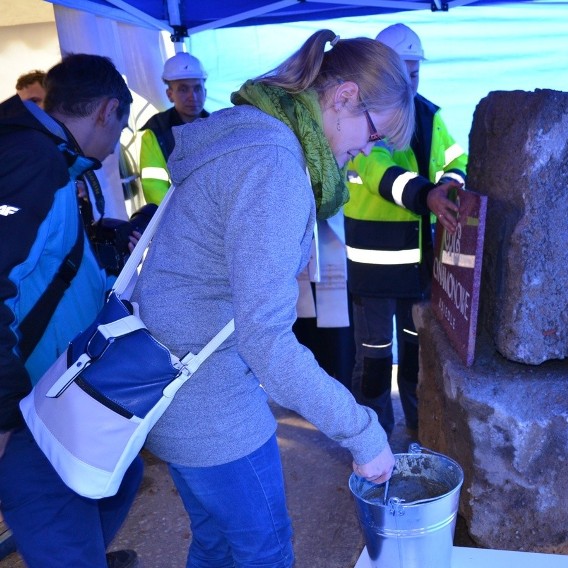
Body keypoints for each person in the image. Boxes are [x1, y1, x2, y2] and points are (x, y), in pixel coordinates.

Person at [131, 29, 412, 567]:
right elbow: (268, 343)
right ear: (345, 96)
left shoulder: (250, 131)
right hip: (209, 401)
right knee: (263, 548)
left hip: (170, 380)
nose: (368, 152)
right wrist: (363, 432)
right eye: (374, 134)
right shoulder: (276, 166)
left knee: (216, 542)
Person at [0, 54, 142, 568]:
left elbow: (39, 260)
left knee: (119, 478)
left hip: (57, 395)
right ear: (106, 110)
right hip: (27, 411)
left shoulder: (47, 158)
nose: (112, 147)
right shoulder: (32, 161)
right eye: (120, 125)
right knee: (61, 520)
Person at [343, 23, 467, 436]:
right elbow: (381, 174)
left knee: (415, 354)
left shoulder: (430, 115)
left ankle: (421, 430)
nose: (409, 82)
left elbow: (455, 159)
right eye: (401, 72)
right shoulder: (363, 119)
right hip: (374, 271)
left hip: (419, 268)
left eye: (414, 72)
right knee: (375, 359)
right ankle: (372, 436)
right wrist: (427, 194)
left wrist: (452, 183)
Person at [138, 52, 209, 205]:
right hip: (177, 219)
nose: (192, 96)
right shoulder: (155, 133)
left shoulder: (220, 126)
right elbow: (154, 188)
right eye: (183, 89)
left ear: (205, 91)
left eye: (197, 88)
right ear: (170, 94)